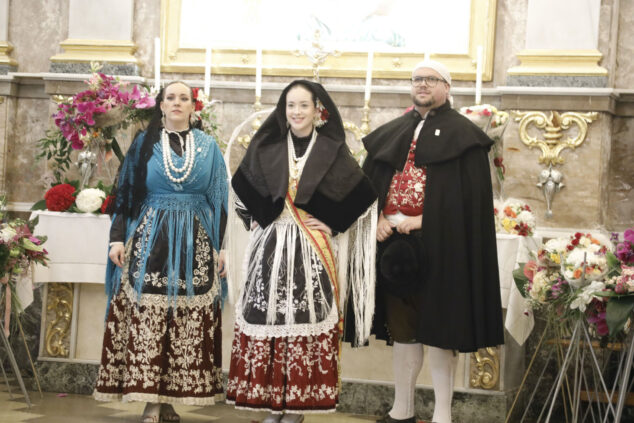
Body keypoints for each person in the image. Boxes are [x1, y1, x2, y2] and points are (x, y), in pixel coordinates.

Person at [360, 60, 504, 423]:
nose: (423, 85)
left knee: (442, 330)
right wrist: (376, 217)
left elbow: (469, 202)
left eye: (431, 79)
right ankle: (401, 409)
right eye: (417, 79)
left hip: (442, 246)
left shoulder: (465, 136)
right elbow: (368, 185)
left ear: (447, 87)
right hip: (394, 249)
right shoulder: (393, 131)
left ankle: (443, 415)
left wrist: (425, 219)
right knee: (403, 330)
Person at [226, 80, 377, 423]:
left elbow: (362, 192)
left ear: (318, 109)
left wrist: (334, 223)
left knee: (304, 322)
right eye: (290, 105)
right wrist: (254, 218)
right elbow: (242, 185)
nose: (296, 112)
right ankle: (270, 405)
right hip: (270, 247)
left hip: (311, 250)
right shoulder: (268, 145)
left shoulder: (332, 148)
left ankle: (297, 407)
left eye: (303, 105)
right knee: (269, 319)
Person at [93, 81, 229, 423]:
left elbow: (220, 199)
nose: (178, 103)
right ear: (162, 105)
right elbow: (125, 192)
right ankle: (150, 400)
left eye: (184, 98)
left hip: (195, 242)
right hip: (150, 238)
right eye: (171, 97)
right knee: (150, 318)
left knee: (182, 320)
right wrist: (117, 238)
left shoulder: (209, 146)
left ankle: (169, 399)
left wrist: (222, 247)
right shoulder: (144, 143)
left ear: (193, 106)